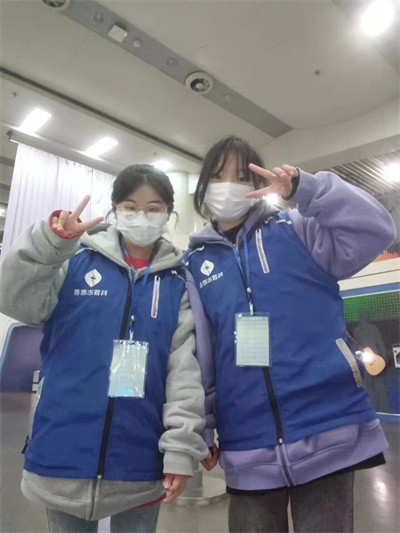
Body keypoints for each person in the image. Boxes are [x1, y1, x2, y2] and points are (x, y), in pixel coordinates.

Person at [185, 136, 396, 533]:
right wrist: (204, 424)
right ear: (203, 185)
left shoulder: (298, 229)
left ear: (258, 184)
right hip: (247, 443)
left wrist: (308, 189)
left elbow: (377, 229)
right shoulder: (193, 265)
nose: (229, 185)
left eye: (241, 176)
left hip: (327, 427)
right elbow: (202, 355)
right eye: (218, 176)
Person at [0, 164, 208, 533]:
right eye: (130, 206)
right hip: (63, 453)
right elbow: (16, 301)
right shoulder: (74, 260)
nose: (141, 215)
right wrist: (50, 243)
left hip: (140, 460)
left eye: (154, 208)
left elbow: (183, 372)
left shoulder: (177, 281)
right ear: (114, 209)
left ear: (168, 214)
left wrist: (180, 447)